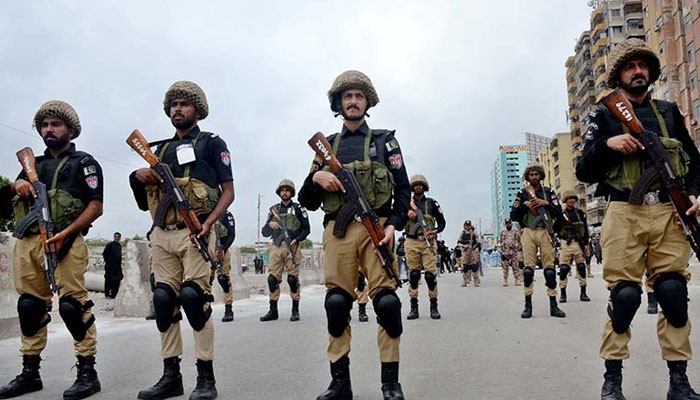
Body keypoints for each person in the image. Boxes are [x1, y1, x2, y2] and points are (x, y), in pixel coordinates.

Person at [576, 38, 700, 399]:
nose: (638, 71)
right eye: (630, 66)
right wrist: (608, 146)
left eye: (643, 65)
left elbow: (695, 163)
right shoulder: (604, 114)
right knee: (626, 296)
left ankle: (679, 381)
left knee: (673, 292)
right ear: (619, 74)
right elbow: (584, 170)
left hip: (667, 212)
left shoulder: (668, 112)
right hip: (624, 211)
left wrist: (694, 194)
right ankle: (612, 380)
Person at [298, 70, 410, 400]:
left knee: (387, 304)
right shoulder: (327, 146)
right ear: (338, 102)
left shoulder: (384, 140)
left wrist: (393, 224)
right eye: (347, 96)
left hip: (379, 228)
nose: (353, 101)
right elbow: (307, 200)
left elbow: (402, 190)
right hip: (339, 229)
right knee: (336, 304)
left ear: (367, 102)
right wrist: (317, 177)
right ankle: (340, 383)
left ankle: (390, 382)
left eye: (359, 96)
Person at [129, 81, 234, 400]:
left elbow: (228, 192)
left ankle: (205, 378)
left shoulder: (211, 144)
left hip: (196, 233)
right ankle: (170, 375)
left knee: (193, 299)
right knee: (163, 301)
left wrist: (209, 224)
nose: (178, 108)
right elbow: (141, 198)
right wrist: (138, 176)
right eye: (173, 104)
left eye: (184, 104)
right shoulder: (157, 150)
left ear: (198, 110)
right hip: (162, 234)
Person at [0, 100, 103, 399]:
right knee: (29, 306)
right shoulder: (33, 166)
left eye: (55, 124)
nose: (49, 129)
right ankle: (30, 372)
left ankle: (87, 372)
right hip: (29, 242)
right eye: (44, 125)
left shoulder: (84, 163)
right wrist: (14, 188)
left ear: (70, 129)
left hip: (67, 242)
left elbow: (95, 206)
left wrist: (67, 233)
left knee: (73, 306)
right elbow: (4, 205)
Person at [510, 164, 565, 319]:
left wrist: (545, 204)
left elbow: (559, 213)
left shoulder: (549, 192)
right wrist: (524, 206)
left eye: (536, 174)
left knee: (549, 270)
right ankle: (528, 305)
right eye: (531, 175)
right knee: (528, 270)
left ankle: (553, 305)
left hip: (545, 231)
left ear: (541, 176)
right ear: (527, 177)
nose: (534, 177)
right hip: (528, 231)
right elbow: (513, 215)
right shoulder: (522, 193)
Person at [259, 179, 310, 322]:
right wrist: (271, 224)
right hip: (276, 247)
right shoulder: (274, 210)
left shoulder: (299, 208)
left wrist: (297, 239)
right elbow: (264, 232)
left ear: (291, 192)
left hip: (292, 247)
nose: (284, 192)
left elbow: (306, 229)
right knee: (272, 279)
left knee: (293, 279)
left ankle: (295, 310)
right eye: (282, 190)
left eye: (287, 190)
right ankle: (273, 310)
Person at [404, 174, 446, 320]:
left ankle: (433, 305)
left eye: (420, 185)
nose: (418, 187)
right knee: (414, 275)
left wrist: (436, 231)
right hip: (411, 241)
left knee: (429, 275)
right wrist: (406, 213)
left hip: (428, 241)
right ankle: (413, 307)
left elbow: (442, 223)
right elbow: (397, 221)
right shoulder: (406, 203)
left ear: (424, 187)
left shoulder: (432, 203)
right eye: (415, 185)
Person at [556, 191, 591, 303]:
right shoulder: (561, 214)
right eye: (569, 199)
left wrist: (586, 243)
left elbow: (584, 229)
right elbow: (555, 228)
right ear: (565, 201)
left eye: (573, 199)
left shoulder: (580, 213)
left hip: (578, 243)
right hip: (565, 243)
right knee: (564, 269)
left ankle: (583, 292)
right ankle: (563, 293)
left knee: (581, 267)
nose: (571, 201)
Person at [214, 211, 236, 322]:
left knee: (223, 279)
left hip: (222, 249)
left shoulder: (226, 215)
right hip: (207, 249)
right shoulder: (205, 213)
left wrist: (223, 248)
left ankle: (228, 309)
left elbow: (232, 235)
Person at [499, 219, 522, 286]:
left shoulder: (515, 232)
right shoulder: (503, 232)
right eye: (507, 223)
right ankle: (505, 280)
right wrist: (502, 250)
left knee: (515, 266)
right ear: (505, 224)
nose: (508, 225)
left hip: (514, 252)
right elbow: (500, 241)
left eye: (509, 223)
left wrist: (518, 248)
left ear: (511, 224)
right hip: (505, 253)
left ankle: (517, 279)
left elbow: (520, 241)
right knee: (505, 267)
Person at [458, 220, 480, 287]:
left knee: (474, 267)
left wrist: (474, 248)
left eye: (469, 225)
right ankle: (464, 280)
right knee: (465, 267)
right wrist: (463, 246)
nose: (468, 227)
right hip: (465, 252)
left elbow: (478, 242)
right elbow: (458, 243)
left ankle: (475, 280)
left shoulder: (474, 233)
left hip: (472, 252)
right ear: (464, 226)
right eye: (466, 225)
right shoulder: (462, 233)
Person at [102, 232, 123, 299]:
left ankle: (114, 294)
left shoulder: (119, 246)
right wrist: (108, 262)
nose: (117, 238)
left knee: (117, 280)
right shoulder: (109, 245)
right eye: (116, 236)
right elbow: (104, 254)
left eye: (118, 237)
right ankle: (107, 294)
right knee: (108, 280)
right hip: (109, 266)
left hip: (117, 267)